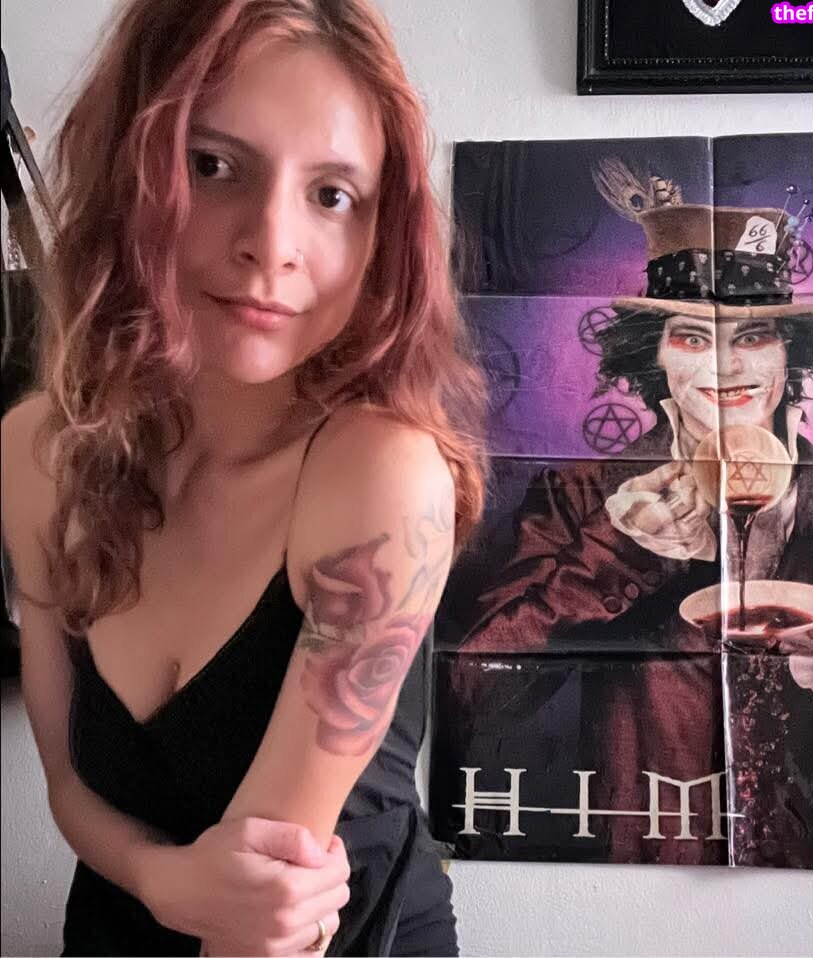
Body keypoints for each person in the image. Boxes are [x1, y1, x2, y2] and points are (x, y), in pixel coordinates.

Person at [0, 1, 486, 954]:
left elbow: (262, 926)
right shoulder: (35, 453)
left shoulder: (380, 476)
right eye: (213, 166)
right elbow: (67, 789)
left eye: (332, 194)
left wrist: (187, 896)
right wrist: (160, 880)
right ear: (130, 173)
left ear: (382, 231)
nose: (272, 242)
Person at [454, 198, 813, 868]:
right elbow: (471, 694)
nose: (725, 366)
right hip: (641, 869)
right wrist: (617, 552)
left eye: (753, 336)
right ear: (655, 356)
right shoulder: (577, 499)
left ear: (789, 354)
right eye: (692, 338)